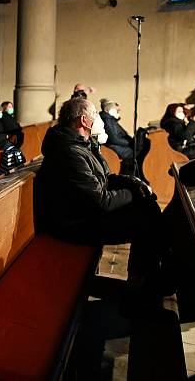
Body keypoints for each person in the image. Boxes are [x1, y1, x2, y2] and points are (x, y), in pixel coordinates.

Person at [33, 97, 167, 305]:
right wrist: (136, 193)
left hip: (85, 212)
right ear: (84, 120)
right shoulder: (70, 152)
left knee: (148, 208)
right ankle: (140, 286)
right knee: (147, 221)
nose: (98, 118)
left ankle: (142, 281)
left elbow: (107, 178)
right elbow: (102, 200)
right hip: (73, 223)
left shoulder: (84, 145)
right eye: (95, 114)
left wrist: (134, 183)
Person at [100, 98, 137, 171]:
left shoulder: (110, 120)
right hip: (113, 148)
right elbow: (114, 139)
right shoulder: (107, 120)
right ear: (110, 110)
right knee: (135, 153)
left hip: (116, 146)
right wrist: (130, 142)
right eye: (117, 110)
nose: (118, 112)